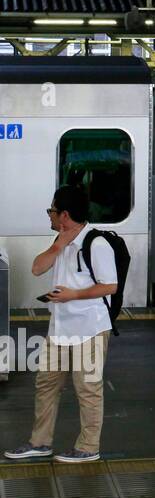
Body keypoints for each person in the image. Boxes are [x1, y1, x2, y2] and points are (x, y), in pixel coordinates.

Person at [4, 186, 116, 463]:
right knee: (46, 385)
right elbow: (37, 268)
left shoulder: (97, 244)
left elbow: (110, 286)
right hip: (60, 330)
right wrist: (58, 245)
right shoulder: (61, 241)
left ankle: (89, 447)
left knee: (88, 389)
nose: (50, 216)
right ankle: (40, 443)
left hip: (89, 329)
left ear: (64, 214)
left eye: (52, 211)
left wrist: (73, 295)